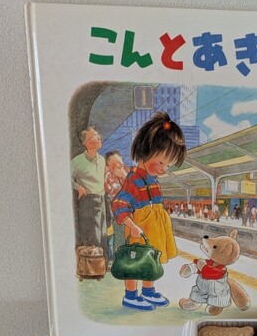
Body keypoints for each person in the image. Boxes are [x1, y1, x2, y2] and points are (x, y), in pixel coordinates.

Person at [112, 112, 187, 311]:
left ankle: (148, 290)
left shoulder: (152, 179)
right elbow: (119, 204)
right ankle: (130, 295)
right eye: (161, 162)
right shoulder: (133, 179)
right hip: (140, 228)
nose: (164, 169)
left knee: (150, 259)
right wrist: (132, 226)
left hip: (154, 229)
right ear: (145, 151)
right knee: (135, 260)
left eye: (168, 165)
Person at [71, 126, 108, 262]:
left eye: (98, 135)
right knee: (91, 234)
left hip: (101, 199)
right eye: (94, 136)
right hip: (88, 200)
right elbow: (65, 177)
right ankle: (91, 264)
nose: (99, 138)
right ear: (85, 143)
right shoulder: (77, 161)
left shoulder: (102, 160)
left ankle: (102, 263)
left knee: (102, 232)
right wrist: (78, 187)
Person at [104, 151, 128, 265]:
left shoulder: (128, 174)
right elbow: (109, 194)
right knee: (115, 236)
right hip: (114, 213)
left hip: (129, 212)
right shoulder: (107, 177)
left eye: (119, 163)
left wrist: (124, 176)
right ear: (108, 166)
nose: (118, 166)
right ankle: (115, 258)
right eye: (113, 165)